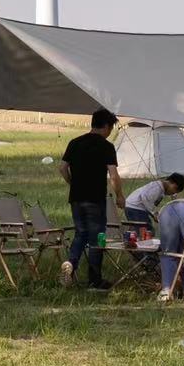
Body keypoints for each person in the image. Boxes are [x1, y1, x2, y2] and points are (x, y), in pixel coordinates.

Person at [58, 108, 122, 291]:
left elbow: (62, 167)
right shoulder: (106, 146)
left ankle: (71, 263)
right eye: (111, 128)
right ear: (107, 126)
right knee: (97, 238)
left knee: (80, 234)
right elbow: (114, 176)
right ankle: (95, 280)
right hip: (95, 199)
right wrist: (119, 195)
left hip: (76, 198)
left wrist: (73, 184)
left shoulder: (75, 142)